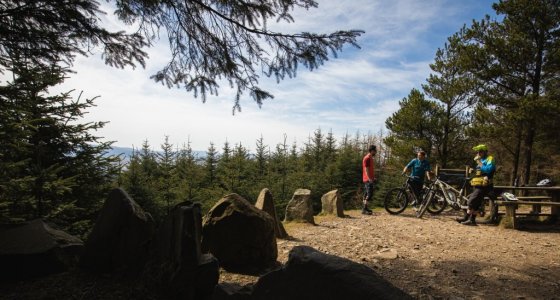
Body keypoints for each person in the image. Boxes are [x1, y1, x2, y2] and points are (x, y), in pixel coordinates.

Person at [457, 144, 496, 225]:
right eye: (478, 152)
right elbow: (480, 171)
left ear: (485, 152)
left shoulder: (490, 159)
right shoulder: (481, 160)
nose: (479, 153)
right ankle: (470, 219)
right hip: (478, 183)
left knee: (472, 200)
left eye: (480, 151)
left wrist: (478, 162)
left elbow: (488, 170)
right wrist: (473, 170)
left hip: (485, 184)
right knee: (476, 202)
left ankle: (468, 218)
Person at [362, 145, 377, 215]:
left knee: (366, 194)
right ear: (371, 151)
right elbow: (366, 169)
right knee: (369, 194)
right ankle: (364, 209)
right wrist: (369, 179)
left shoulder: (370, 158)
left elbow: (370, 169)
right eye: (375, 151)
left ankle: (365, 208)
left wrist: (373, 177)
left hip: (369, 179)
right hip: (368, 179)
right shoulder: (367, 158)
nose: (376, 152)